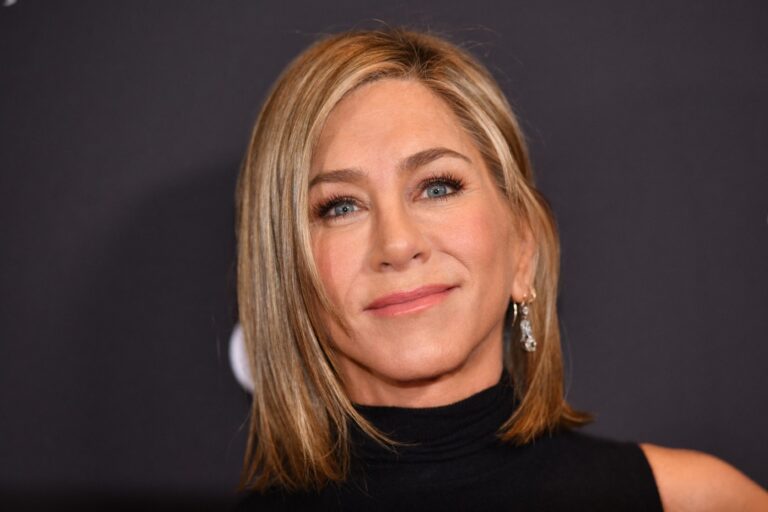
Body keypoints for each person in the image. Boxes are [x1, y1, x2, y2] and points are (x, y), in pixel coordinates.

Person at [233, 27, 767, 511]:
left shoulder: (691, 502)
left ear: (523, 248)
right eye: (340, 206)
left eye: (437, 187)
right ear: (287, 273)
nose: (397, 244)